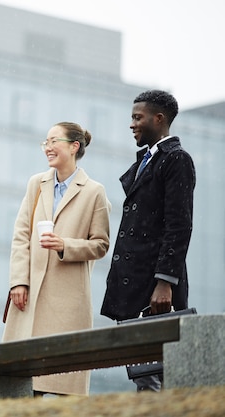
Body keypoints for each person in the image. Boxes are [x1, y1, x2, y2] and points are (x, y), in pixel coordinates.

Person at [2, 121, 111, 396]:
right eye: (45, 142)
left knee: (62, 383)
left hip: (68, 298)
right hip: (29, 294)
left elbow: (100, 245)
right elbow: (21, 235)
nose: (47, 148)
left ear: (74, 146)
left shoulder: (94, 191)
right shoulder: (35, 184)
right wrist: (18, 282)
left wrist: (65, 245)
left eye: (54, 141)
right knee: (22, 383)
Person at [101, 90, 196, 392]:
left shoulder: (176, 160)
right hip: (136, 282)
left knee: (158, 374)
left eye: (137, 117)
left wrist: (165, 281)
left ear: (159, 118)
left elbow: (179, 225)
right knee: (144, 372)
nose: (132, 124)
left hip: (155, 287)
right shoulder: (148, 160)